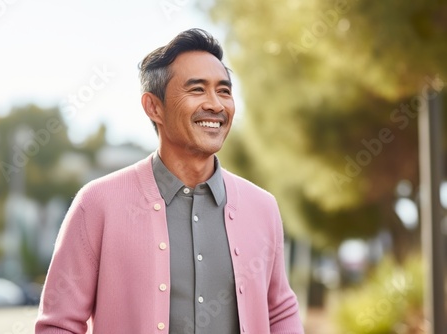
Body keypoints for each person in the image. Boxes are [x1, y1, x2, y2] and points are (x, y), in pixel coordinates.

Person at [35, 28, 304, 334]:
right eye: (197, 89)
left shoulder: (262, 207)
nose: (216, 105)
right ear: (154, 107)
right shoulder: (98, 204)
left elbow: (281, 311)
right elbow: (58, 323)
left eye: (224, 90)